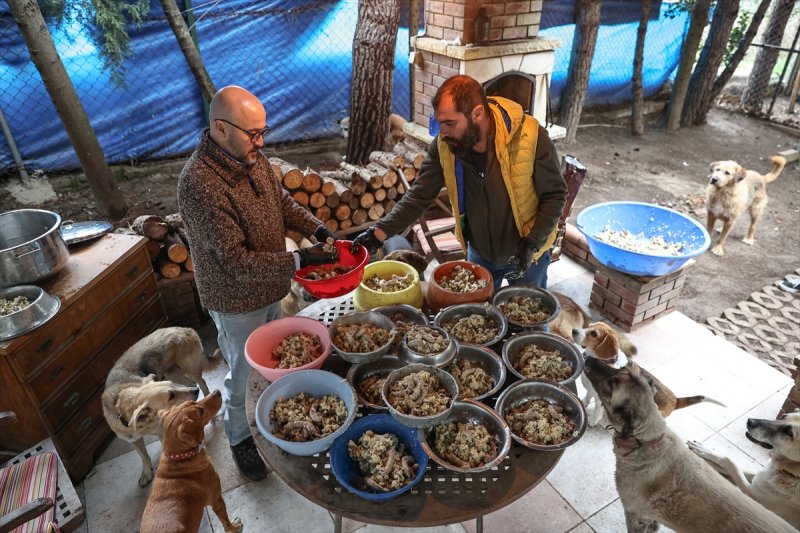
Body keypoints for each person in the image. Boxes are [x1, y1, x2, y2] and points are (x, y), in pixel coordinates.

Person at [177, 86, 337, 480]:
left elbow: (281, 202)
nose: (261, 142)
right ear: (220, 128)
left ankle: (276, 416)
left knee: (275, 362)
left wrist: (317, 231)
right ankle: (239, 439)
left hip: (269, 285)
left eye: (263, 131)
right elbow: (232, 261)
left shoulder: (252, 158)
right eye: (253, 133)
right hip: (235, 299)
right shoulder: (200, 183)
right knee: (243, 375)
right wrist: (300, 259)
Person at [352, 75, 568, 290]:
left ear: (477, 114)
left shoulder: (529, 136)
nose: (442, 133)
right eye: (439, 122)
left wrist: (532, 242)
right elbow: (420, 195)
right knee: (480, 319)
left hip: (529, 256)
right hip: (480, 254)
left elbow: (555, 195)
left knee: (529, 321)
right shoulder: (446, 145)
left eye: (449, 123)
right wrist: (377, 234)